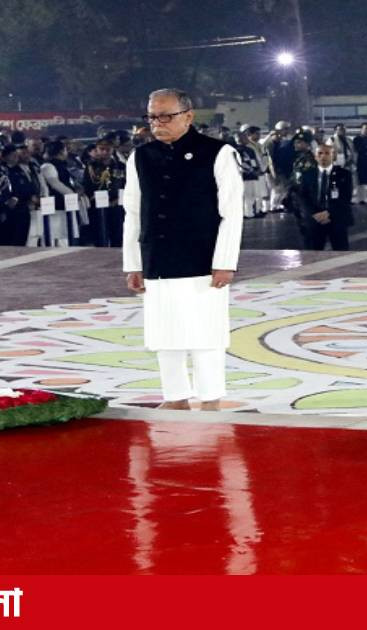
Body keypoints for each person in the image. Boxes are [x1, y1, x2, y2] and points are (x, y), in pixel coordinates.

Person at [122, 88, 244, 411]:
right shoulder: (140, 157)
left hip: (202, 259)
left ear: (188, 116)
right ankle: (175, 397)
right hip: (157, 259)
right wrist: (133, 264)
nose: (158, 123)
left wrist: (225, 261)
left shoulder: (218, 153)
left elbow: (231, 213)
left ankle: (210, 398)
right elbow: (133, 212)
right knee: (165, 333)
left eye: (166, 116)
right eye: (152, 117)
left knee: (206, 334)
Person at [295, 144, 353, 250]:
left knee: (340, 252)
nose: (323, 156)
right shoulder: (307, 174)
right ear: (315, 156)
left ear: (333, 156)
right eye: (320, 153)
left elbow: (346, 197)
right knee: (312, 253)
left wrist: (328, 213)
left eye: (327, 153)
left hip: (336, 219)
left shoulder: (344, 174)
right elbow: (303, 197)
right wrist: (314, 213)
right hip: (314, 220)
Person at [83, 135, 127, 244]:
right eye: (101, 149)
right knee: (99, 235)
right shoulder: (91, 166)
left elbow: (125, 184)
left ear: (113, 149)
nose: (105, 152)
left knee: (117, 235)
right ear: (97, 150)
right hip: (97, 204)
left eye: (108, 149)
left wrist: (117, 200)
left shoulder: (120, 166)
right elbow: (88, 185)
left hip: (117, 204)